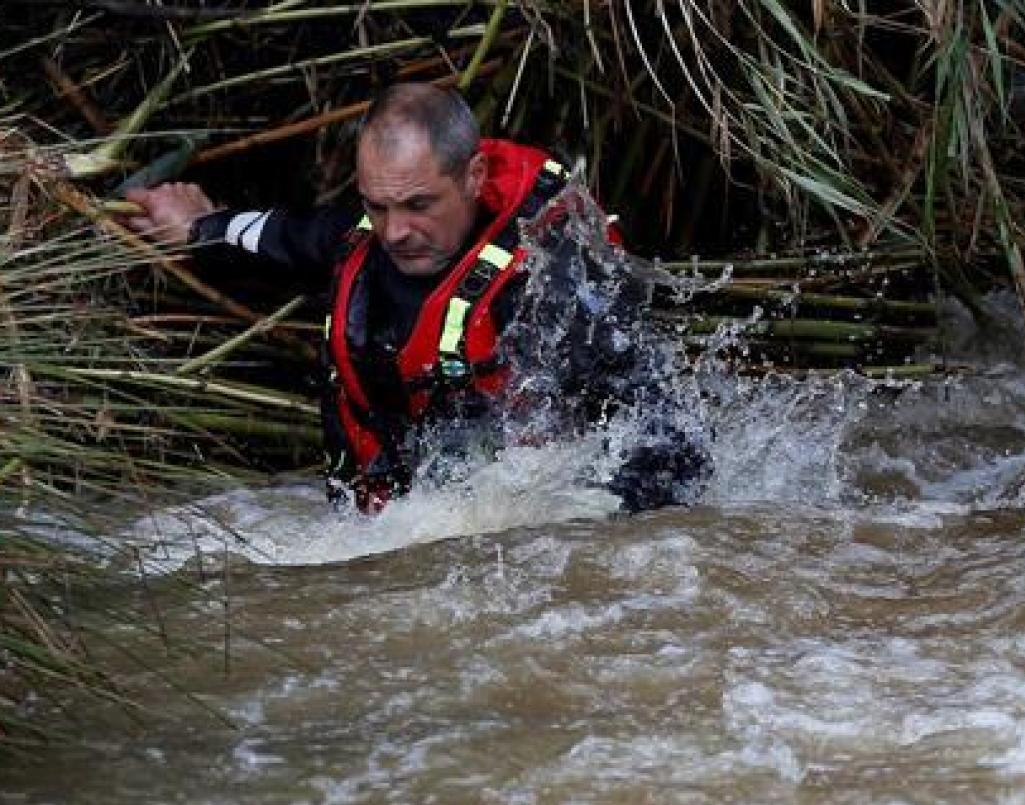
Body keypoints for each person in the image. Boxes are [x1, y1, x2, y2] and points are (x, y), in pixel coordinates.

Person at [125, 83, 708, 514]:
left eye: (418, 206)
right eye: (377, 206)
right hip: (379, 529)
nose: (395, 231)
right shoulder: (363, 235)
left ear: (474, 176)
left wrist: (581, 529)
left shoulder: (551, 286)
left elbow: (671, 443)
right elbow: (283, 236)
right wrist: (200, 226)